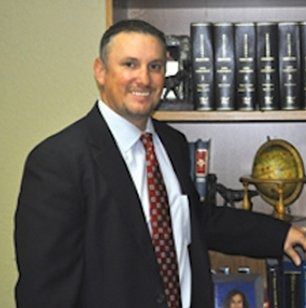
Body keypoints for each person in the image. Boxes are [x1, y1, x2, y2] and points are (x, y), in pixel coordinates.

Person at [14, 19, 306, 308]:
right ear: (100, 71)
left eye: (155, 66)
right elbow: (45, 290)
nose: (144, 79)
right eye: (129, 64)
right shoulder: (57, 161)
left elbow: (196, 220)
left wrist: (278, 234)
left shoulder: (172, 143)